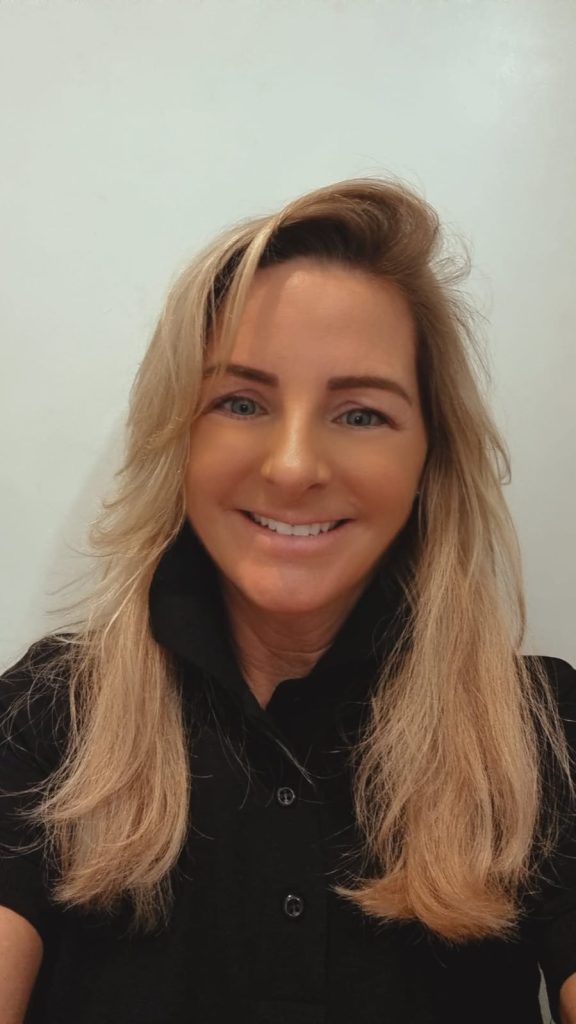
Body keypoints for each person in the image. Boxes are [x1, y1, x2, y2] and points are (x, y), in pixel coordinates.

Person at [1, 178, 575, 1024]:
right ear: (179, 437)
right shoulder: (50, 717)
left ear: (430, 458)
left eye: (361, 414)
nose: (294, 466)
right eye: (241, 403)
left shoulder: (542, 733)